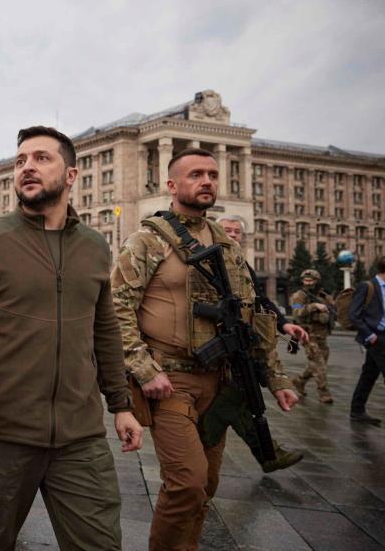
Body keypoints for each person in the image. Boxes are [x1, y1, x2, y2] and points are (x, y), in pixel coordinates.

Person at [0, 126, 142, 549]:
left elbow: (104, 328)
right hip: (4, 433)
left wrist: (121, 404)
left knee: (100, 543)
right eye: (20, 161)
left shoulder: (94, 248)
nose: (27, 167)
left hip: (80, 435)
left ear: (71, 175)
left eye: (41, 158)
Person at [112, 149, 297, 550]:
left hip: (220, 382)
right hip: (169, 380)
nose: (208, 181)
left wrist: (275, 377)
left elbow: (252, 315)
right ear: (172, 185)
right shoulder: (147, 240)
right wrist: (144, 370)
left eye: (213, 174)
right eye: (196, 174)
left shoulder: (226, 245)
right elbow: (116, 309)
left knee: (206, 485)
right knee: (187, 482)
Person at [204, 216, 305, 472]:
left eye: (237, 232)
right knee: (237, 400)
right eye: (226, 230)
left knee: (242, 398)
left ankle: (268, 454)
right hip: (213, 344)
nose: (232, 235)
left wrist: (283, 324)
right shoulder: (205, 260)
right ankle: (264, 453)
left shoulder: (242, 266)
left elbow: (261, 301)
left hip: (238, 343)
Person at [348, 256, 385, 425]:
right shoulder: (367, 286)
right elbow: (354, 315)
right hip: (376, 338)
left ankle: (357, 410)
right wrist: (370, 336)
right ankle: (357, 410)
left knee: (369, 374)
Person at [291, 269, 337, 404]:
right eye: (306, 280)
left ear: (316, 281)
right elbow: (296, 312)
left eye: (311, 280)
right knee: (319, 366)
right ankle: (324, 393)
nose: (308, 283)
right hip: (308, 335)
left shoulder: (323, 295)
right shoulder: (299, 296)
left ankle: (299, 381)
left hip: (322, 335)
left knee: (316, 364)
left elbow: (332, 308)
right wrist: (313, 306)